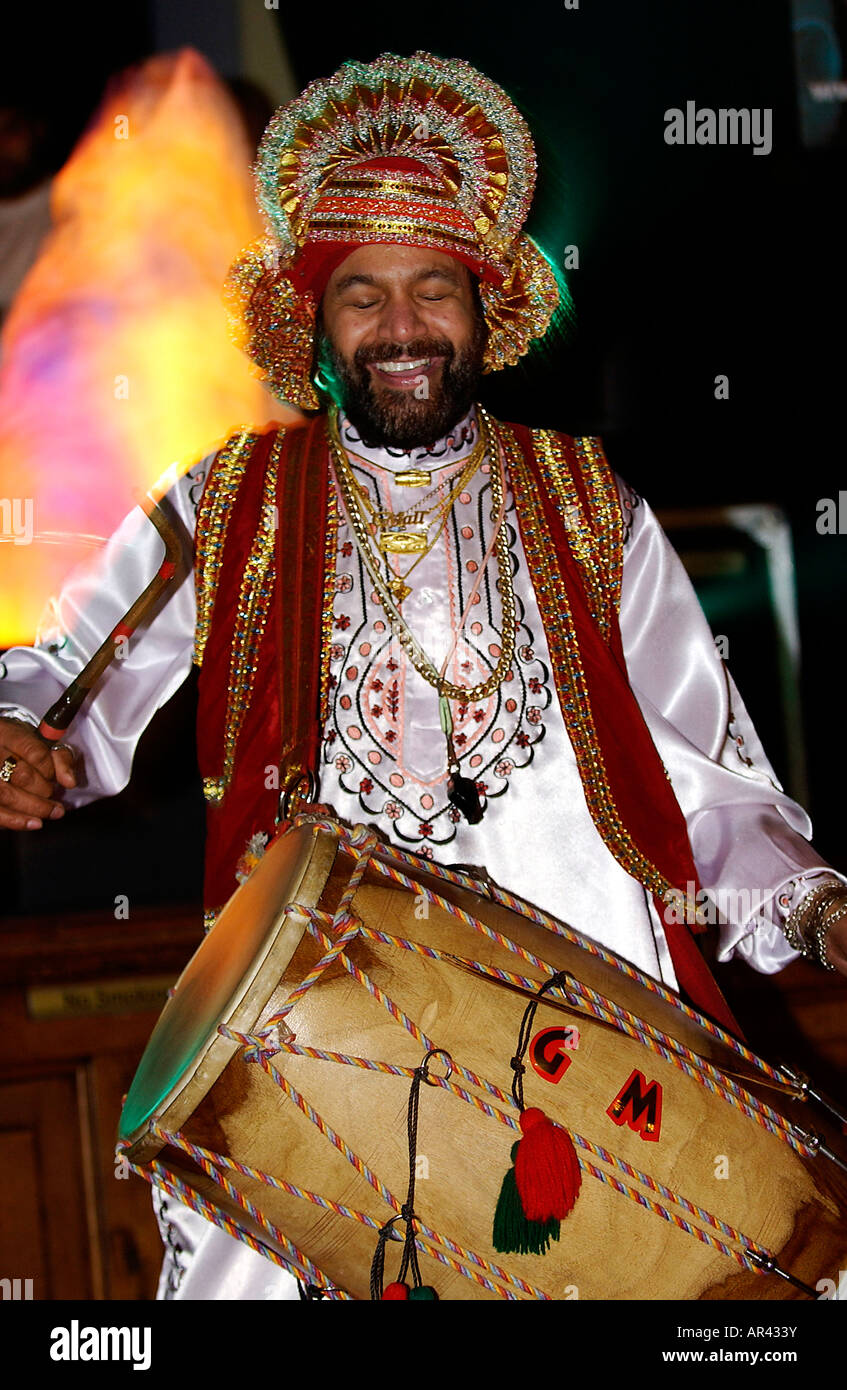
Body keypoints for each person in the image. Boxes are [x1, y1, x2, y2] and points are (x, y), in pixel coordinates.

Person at [1, 51, 845, 1301]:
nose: (401, 329)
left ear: (482, 310)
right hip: (324, 1026)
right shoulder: (227, 503)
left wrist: (817, 907)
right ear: (314, 322)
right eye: (363, 296)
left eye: (433, 290)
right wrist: (23, 740)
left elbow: (706, 781)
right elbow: (63, 679)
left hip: (590, 1028)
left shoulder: (589, 504)